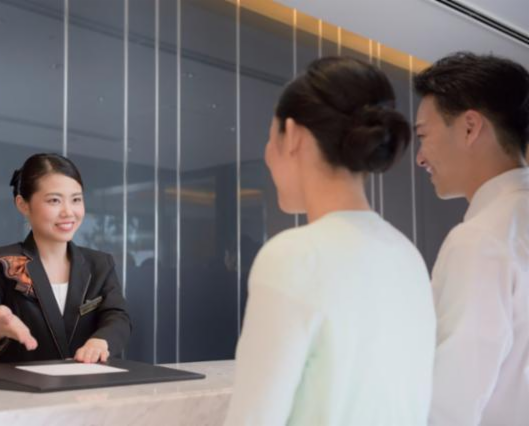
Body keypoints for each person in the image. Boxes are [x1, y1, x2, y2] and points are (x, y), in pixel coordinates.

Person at [224, 57, 435, 425]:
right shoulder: (407, 255)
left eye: (271, 136)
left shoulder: (292, 256)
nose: (267, 153)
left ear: (293, 135)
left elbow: (254, 418)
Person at [414, 52, 529, 425]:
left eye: (423, 135)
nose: (420, 158)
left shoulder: (480, 240)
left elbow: (450, 406)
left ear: (469, 128)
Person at [0, 153, 131, 364]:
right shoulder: (3, 264)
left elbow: (117, 316)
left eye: (76, 199)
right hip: (23, 385)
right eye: (54, 200)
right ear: (23, 204)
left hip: (87, 384)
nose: (68, 212)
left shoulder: (100, 264)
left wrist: (101, 340)